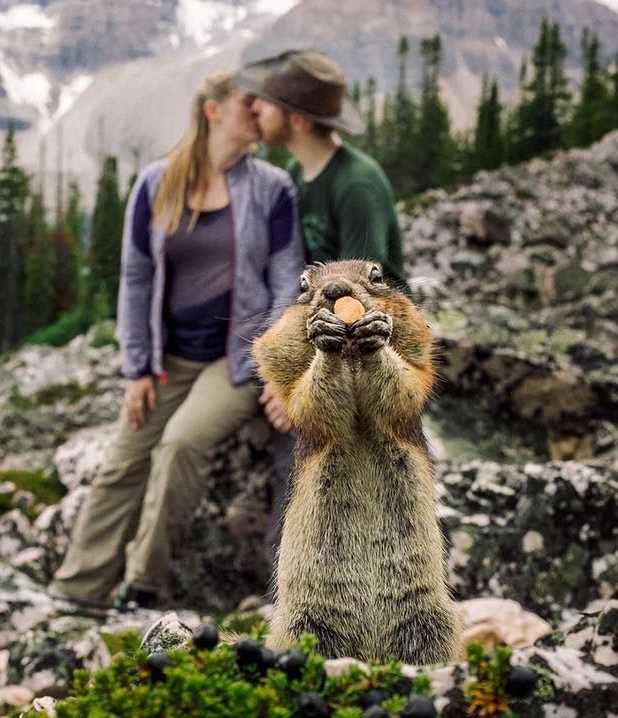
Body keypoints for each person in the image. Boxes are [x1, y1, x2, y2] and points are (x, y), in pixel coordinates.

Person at [48, 71, 305, 610]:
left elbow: (287, 281)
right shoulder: (156, 183)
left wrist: (280, 364)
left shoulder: (270, 188)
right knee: (123, 462)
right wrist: (137, 367)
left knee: (181, 443)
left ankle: (142, 583)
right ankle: (78, 591)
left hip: (236, 358)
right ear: (212, 110)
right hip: (169, 357)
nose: (259, 113)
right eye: (247, 104)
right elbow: (136, 276)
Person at [235, 49, 409, 569]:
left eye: (265, 103)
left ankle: (296, 587)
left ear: (296, 119)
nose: (254, 110)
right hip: (319, 344)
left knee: (304, 449)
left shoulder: (356, 186)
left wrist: (293, 390)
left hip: (363, 355)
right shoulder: (300, 174)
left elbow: (364, 301)